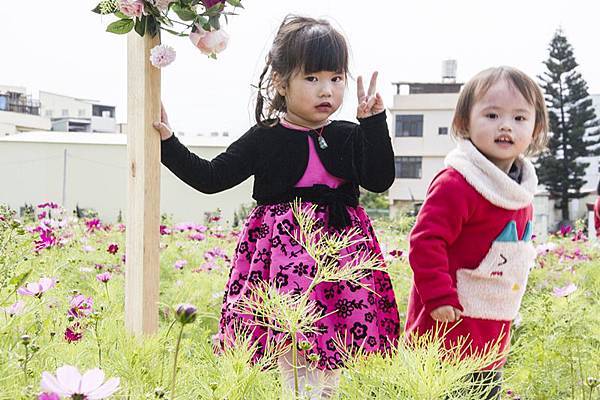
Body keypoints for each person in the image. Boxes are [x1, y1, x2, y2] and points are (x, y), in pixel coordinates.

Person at [153, 15, 400, 398]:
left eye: (336, 79)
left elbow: (380, 180)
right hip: (284, 261)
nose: (327, 91)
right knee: (293, 342)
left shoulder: (349, 134)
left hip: (340, 257)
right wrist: (169, 143)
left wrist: (373, 123)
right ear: (281, 83)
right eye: (312, 78)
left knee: (333, 343)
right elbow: (211, 177)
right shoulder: (265, 138)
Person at [404, 66, 549, 399]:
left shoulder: (520, 190)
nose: (505, 126)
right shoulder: (457, 183)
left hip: (491, 336)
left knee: (485, 390)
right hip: (445, 332)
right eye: (492, 114)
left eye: (519, 118)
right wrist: (438, 296)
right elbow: (426, 240)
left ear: (535, 128)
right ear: (464, 123)